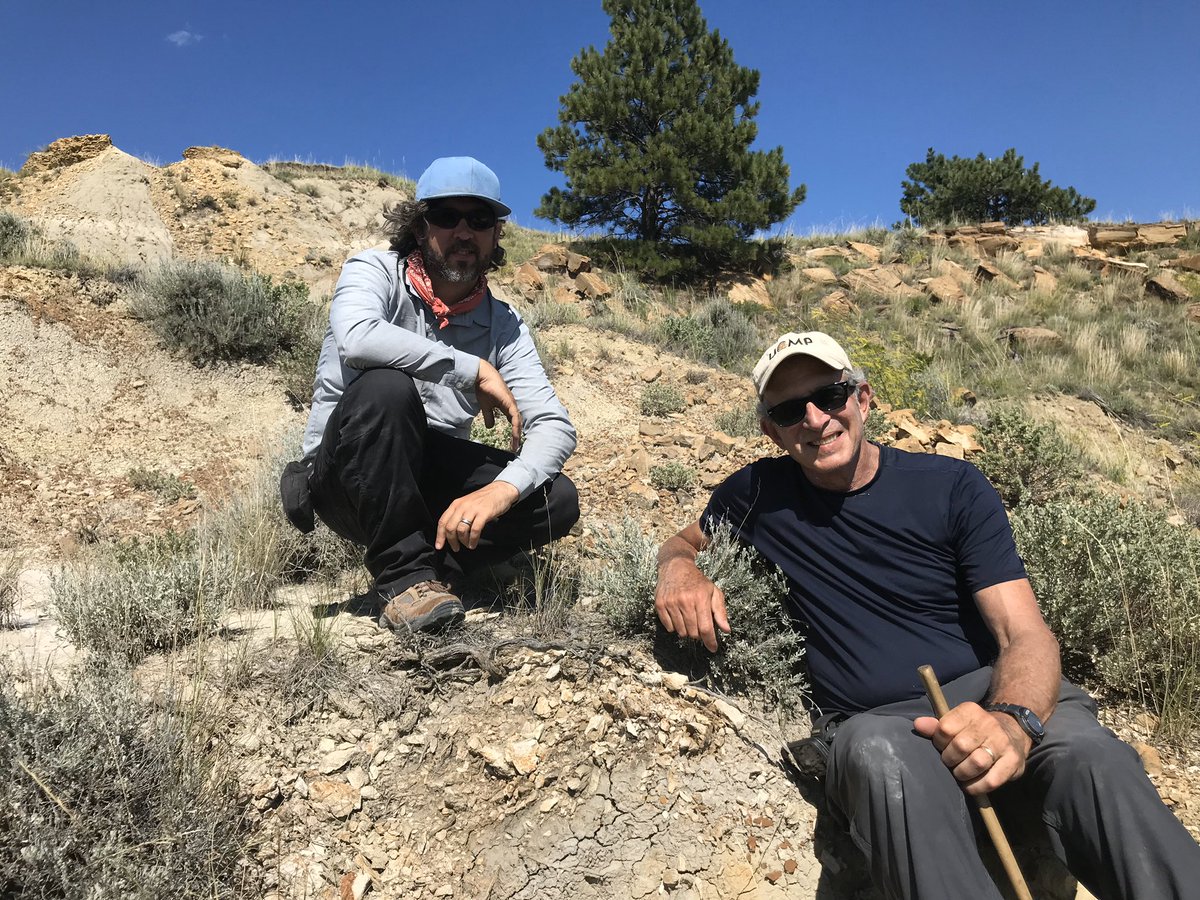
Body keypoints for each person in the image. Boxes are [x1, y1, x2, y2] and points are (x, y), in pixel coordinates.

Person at [654, 330, 1200, 899]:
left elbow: (1024, 632)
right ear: (772, 430)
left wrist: (1013, 724)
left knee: (1094, 761)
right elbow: (685, 541)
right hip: (880, 722)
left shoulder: (952, 487)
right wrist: (678, 569)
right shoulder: (756, 494)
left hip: (998, 693)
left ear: (862, 399)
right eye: (791, 410)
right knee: (878, 759)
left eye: (831, 396)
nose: (815, 419)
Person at [284, 157, 579, 634]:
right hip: (351, 475)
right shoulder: (374, 270)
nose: (464, 231)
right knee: (385, 387)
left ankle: (436, 571)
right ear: (420, 227)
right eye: (447, 217)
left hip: (425, 478)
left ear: (496, 234)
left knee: (556, 498)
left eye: (480, 220)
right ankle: (403, 581)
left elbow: (553, 425)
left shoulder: (503, 323)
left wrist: (499, 492)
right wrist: (471, 369)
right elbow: (358, 337)